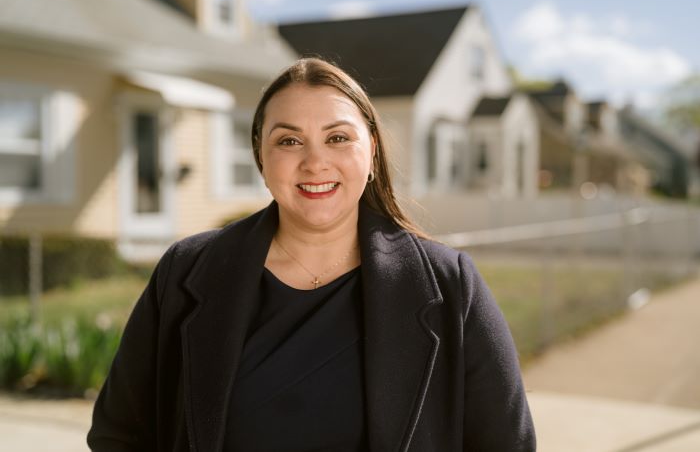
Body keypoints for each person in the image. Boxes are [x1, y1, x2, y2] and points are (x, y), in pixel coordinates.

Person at [87, 57, 536, 451]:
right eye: (289, 141)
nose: (315, 162)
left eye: (338, 138)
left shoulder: (450, 284)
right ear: (261, 158)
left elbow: (507, 444)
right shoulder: (185, 272)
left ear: (372, 152)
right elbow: (119, 434)